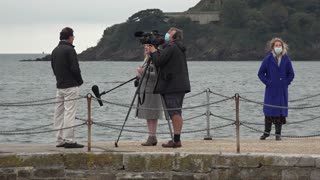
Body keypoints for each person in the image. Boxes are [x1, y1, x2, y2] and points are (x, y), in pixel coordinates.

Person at [149, 27, 191, 148]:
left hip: (172, 85)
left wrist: (153, 51)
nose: (166, 35)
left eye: (169, 33)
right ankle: (176, 138)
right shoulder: (178, 47)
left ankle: (176, 140)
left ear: (174, 36)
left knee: (174, 112)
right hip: (179, 84)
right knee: (176, 111)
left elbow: (158, 62)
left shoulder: (171, 47)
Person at [51, 27, 84, 148]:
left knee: (58, 113)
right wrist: (79, 81)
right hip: (71, 85)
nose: (74, 38)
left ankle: (59, 139)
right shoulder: (70, 50)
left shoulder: (55, 50)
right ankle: (69, 140)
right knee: (69, 112)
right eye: (73, 36)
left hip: (60, 85)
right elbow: (75, 68)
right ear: (70, 37)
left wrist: (59, 80)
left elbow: (54, 68)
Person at [258, 37, 295, 141]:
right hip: (271, 89)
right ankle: (266, 133)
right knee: (269, 110)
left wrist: (286, 83)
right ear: (272, 47)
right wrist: (268, 82)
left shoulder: (286, 59)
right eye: (276, 45)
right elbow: (260, 73)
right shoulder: (268, 59)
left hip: (282, 90)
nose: (278, 47)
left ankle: (278, 134)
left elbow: (291, 74)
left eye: (280, 45)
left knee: (280, 111)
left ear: (282, 47)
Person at [136, 44, 163, 146]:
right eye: (145, 46)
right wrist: (139, 75)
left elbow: (156, 75)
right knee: (148, 115)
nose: (146, 47)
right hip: (144, 91)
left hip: (152, 91)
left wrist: (143, 72)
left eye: (148, 45)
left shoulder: (156, 59)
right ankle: (151, 136)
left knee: (152, 115)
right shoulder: (147, 59)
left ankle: (152, 136)